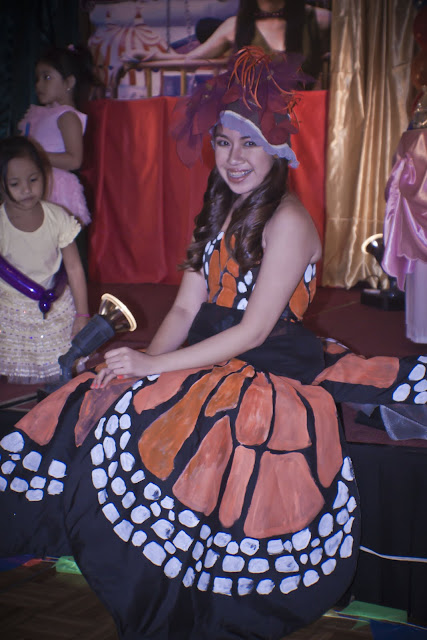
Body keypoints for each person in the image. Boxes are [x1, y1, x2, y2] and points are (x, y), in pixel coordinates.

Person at [0, 48, 426, 639]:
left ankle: (182, 590)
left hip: (266, 359)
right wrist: (144, 365)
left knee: (188, 422)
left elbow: (252, 331)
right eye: (224, 142)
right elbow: (183, 308)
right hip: (210, 345)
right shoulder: (218, 208)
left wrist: (152, 364)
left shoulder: (289, 221)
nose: (233, 157)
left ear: (276, 149)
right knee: (95, 395)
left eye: (249, 143)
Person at [0, 136, 89, 384]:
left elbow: (74, 267)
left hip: (53, 305)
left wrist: (82, 314)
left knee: (60, 371)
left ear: (45, 175)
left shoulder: (57, 217)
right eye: (15, 183)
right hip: (11, 310)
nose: (27, 189)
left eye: (33, 179)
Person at [147, 0, 328, 83]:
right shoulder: (234, 26)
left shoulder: (319, 20)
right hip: (255, 126)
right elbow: (189, 60)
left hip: (307, 122)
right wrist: (154, 57)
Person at [18, 45, 95, 227]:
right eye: (37, 79)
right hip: (36, 182)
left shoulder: (67, 116)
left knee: (55, 235)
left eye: (47, 77)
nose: (38, 85)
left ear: (69, 83)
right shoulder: (42, 114)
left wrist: (35, 154)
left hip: (56, 188)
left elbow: (74, 160)